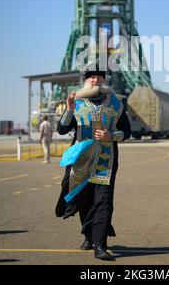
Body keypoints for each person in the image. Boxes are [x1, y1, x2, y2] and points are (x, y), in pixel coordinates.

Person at [55, 66, 131, 261]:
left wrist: (111, 135)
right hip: (81, 160)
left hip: (106, 161)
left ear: (103, 80)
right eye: (91, 78)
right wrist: (69, 110)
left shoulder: (116, 104)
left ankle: (100, 244)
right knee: (84, 200)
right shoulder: (76, 101)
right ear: (86, 81)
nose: (95, 81)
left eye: (98, 77)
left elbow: (127, 132)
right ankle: (89, 235)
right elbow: (62, 130)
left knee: (103, 201)